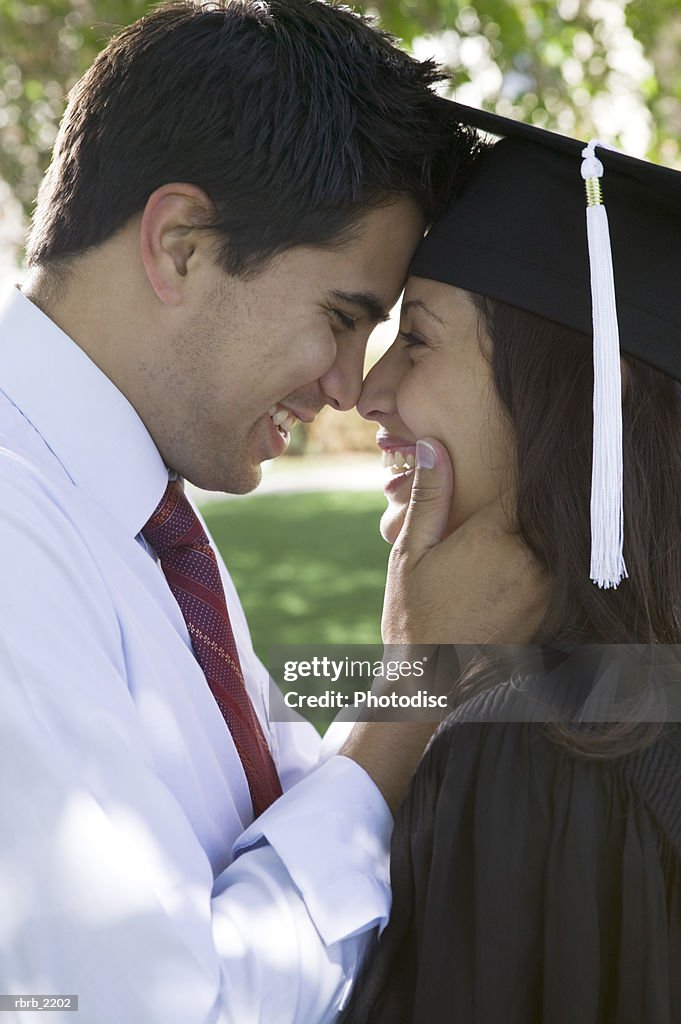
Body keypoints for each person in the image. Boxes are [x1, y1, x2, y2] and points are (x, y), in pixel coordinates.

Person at [0, 8, 547, 1024]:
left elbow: (287, 812)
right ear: (182, 244)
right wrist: (404, 703)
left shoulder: (140, 518)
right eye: (341, 319)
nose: (349, 386)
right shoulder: (14, 539)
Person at [341, 103, 681, 1022]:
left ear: (572, 392)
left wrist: (413, 684)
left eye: (416, 338)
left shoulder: (533, 753)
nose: (365, 392)